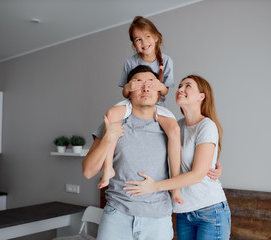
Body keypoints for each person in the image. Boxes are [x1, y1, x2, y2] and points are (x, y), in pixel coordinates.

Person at [124, 75, 231, 239]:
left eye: (188, 86)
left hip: (210, 211)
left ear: (201, 97)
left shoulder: (206, 126)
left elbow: (197, 175)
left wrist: (154, 186)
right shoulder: (175, 126)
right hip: (183, 212)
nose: (180, 89)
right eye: (180, 86)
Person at [82, 65, 174, 240]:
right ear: (128, 92)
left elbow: (189, 162)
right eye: (138, 83)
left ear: (159, 93)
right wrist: (109, 137)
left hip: (158, 221)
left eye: (151, 83)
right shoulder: (112, 122)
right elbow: (88, 171)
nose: (146, 87)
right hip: (117, 216)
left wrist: (213, 169)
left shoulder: (170, 128)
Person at [98, 16, 182, 205]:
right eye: (138, 39)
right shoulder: (130, 62)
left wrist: (156, 84)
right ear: (134, 44)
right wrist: (132, 86)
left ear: (156, 37)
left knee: (175, 130)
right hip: (133, 104)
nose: (144, 43)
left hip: (157, 105)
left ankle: (175, 187)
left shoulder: (166, 61)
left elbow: (166, 89)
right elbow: (124, 90)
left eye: (147, 36)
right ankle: (108, 169)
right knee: (111, 116)